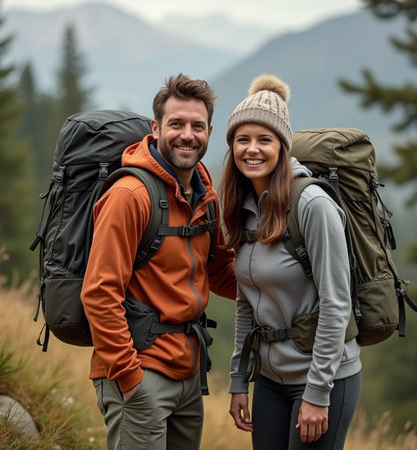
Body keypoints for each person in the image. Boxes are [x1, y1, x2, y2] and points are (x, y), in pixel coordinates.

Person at [81, 73, 236, 450]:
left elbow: (219, 272)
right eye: (177, 124)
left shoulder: (203, 193)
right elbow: (99, 294)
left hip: (188, 373)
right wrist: (129, 376)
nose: (188, 135)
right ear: (156, 128)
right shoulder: (130, 196)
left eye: (197, 126)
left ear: (210, 131)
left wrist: (282, 283)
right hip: (140, 371)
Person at [219, 74, 362, 450]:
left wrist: (317, 392)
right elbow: (246, 300)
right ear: (231, 145)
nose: (252, 149)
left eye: (265, 139)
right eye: (242, 139)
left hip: (322, 378)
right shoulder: (244, 209)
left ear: (283, 147)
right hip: (270, 379)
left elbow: (336, 302)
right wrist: (238, 380)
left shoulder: (312, 206)